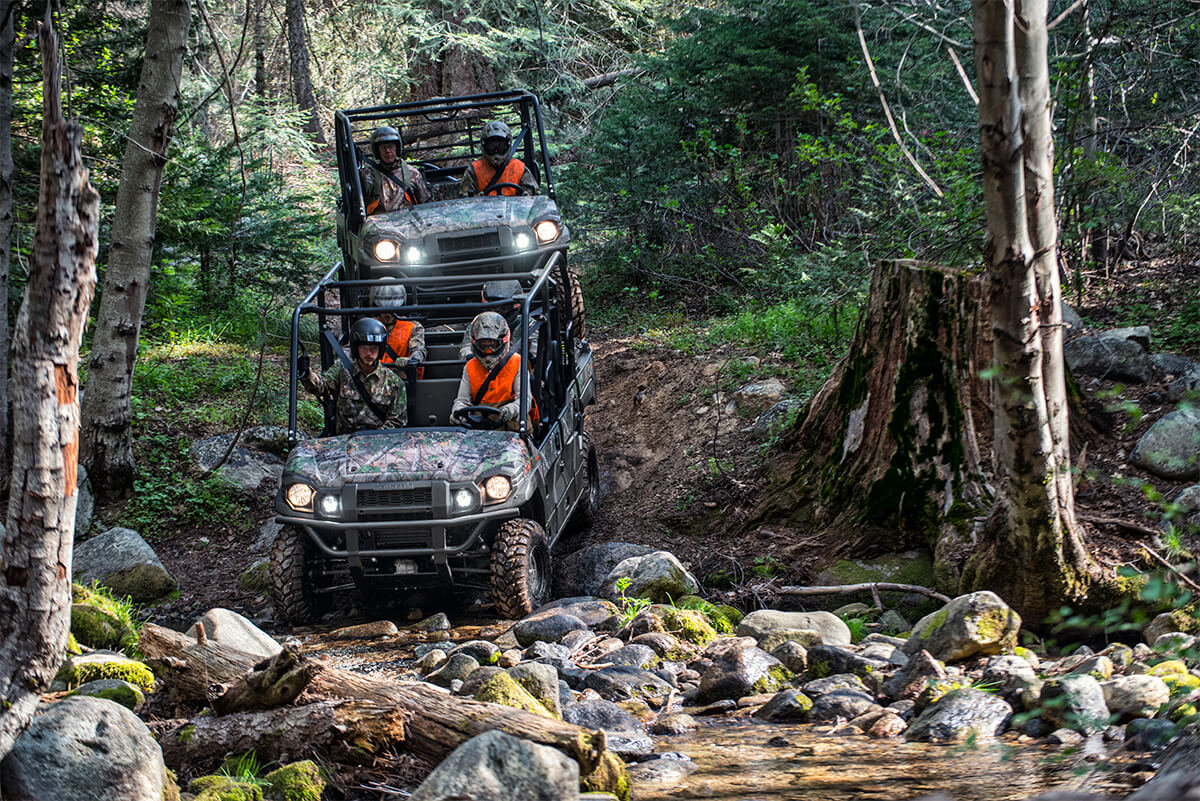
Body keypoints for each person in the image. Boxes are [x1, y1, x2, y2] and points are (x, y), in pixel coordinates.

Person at [298, 317, 406, 432]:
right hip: (345, 441)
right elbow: (321, 386)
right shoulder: (342, 371)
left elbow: (397, 423)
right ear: (356, 348)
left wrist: (372, 440)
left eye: (373, 348)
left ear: (380, 349)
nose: (369, 353)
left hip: (378, 443)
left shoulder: (394, 383)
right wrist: (306, 373)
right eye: (364, 347)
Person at [451, 312, 535, 431]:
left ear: (502, 342)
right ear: (475, 344)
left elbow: (525, 401)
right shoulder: (470, 366)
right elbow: (462, 400)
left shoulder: (517, 362)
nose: (488, 351)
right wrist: (457, 412)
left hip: (512, 430)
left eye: (492, 345)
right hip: (480, 431)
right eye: (483, 346)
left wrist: (508, 411)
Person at [361, 125, 430, 214]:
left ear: (396, 148)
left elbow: (425, 204)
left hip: (407, 222)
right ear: (377, 151)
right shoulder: (369, 175)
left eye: (390, 146)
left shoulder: (412, 173)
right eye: (383, 148)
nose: (388, 151)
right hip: (380, 224)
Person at [460, 121, 539, 197]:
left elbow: (533, 196)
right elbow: (465, 201)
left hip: (515, 209)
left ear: (508, 145)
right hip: (484, 209)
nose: (496, 151)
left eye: (500, 146)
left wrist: (526, 197)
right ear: (484, 146)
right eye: (492, 147)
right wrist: (477, 199)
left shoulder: (519, 168)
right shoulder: (474, 170)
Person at [369, 280, 426, 378]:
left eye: (392, 309)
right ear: (376, 306)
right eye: (383, 309)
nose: (388, 314)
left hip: (400, 378)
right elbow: (351, 349)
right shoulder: (368, 325)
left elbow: (418, 348)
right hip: (371, 377)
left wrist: (413, 359)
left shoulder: (413, 327)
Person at [458, 280, 525, 360]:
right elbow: (466, 350)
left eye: (503, 308)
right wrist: (476, 358)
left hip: (517, 368)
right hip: (484, 367)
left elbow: (535, 354)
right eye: (494, 308)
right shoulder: (479, 323)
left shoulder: (527, 324)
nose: (498, 311)